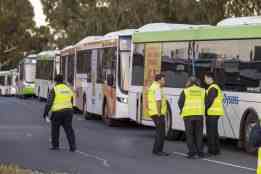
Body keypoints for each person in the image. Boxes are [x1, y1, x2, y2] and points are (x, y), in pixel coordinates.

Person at [43, 74, 76, 152]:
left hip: (57, 112)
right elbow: (71, 99)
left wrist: (46, 113)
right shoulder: (68, 88)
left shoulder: (54, 89)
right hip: (68, 111)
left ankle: (55, 145)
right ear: (63, 80)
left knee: (55, 129)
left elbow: (49, 102)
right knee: (69, 129)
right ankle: (72, 146)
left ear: (55, 81)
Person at [178, 77, 205, 159]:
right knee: (199, 135)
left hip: (188, 116)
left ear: (189, 82)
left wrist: (183, 110)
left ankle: (191, 153)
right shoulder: (202, 91)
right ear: (197, 82)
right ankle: (200, 152)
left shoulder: (185, 91)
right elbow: (206, 102)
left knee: (189, 135)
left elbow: (180, 103)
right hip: (199, 116)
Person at [147, 73, 169, 156]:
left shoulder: (153, 86)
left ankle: (156, 150)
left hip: (154, 112)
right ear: (159, 80)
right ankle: (158, 150)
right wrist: (160, 112)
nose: (164, 81)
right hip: (158, 113)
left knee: (159, 132)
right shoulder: (157, 88)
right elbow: (158, 101)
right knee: (161, 133)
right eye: (163, 79)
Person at [204, 72, 224, 156]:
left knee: (211, 132)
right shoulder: (215, 87)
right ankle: (216, 150)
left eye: (205, 78)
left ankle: (211, 151)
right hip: (215, 112)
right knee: (214, 132)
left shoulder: (213, 88)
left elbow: (209, 101)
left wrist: (204, 110)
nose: (204, 80)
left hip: (212, 112)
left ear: (209, 78)